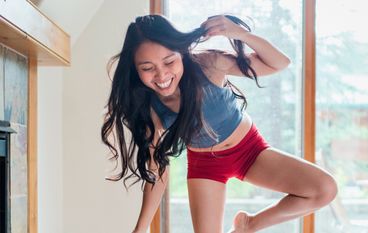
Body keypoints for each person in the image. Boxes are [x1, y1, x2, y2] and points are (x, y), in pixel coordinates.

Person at [101, 14, 337, 233]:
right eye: (147, 68)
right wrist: (140, 229)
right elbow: (157, 168)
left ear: (181, 53)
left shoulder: (209, 64)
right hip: (205, 167)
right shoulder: (149, 106)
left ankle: (249, 224)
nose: (161, 76)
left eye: (169, 62)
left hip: (250, 151)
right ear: (135, 69)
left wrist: (240, 35)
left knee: (324, 190)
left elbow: (279, 63)